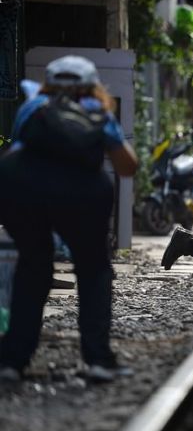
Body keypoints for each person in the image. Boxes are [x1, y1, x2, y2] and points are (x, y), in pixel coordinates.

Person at [0, 56, 138, 383]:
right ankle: (98, 360)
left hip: (24, 189)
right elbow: (127, 167)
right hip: (84, 194)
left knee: (33, 267)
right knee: (93, 271)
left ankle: (11, 362)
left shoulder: (33, 106)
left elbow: (16, 151)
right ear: (93, 86)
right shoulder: (96, 111)